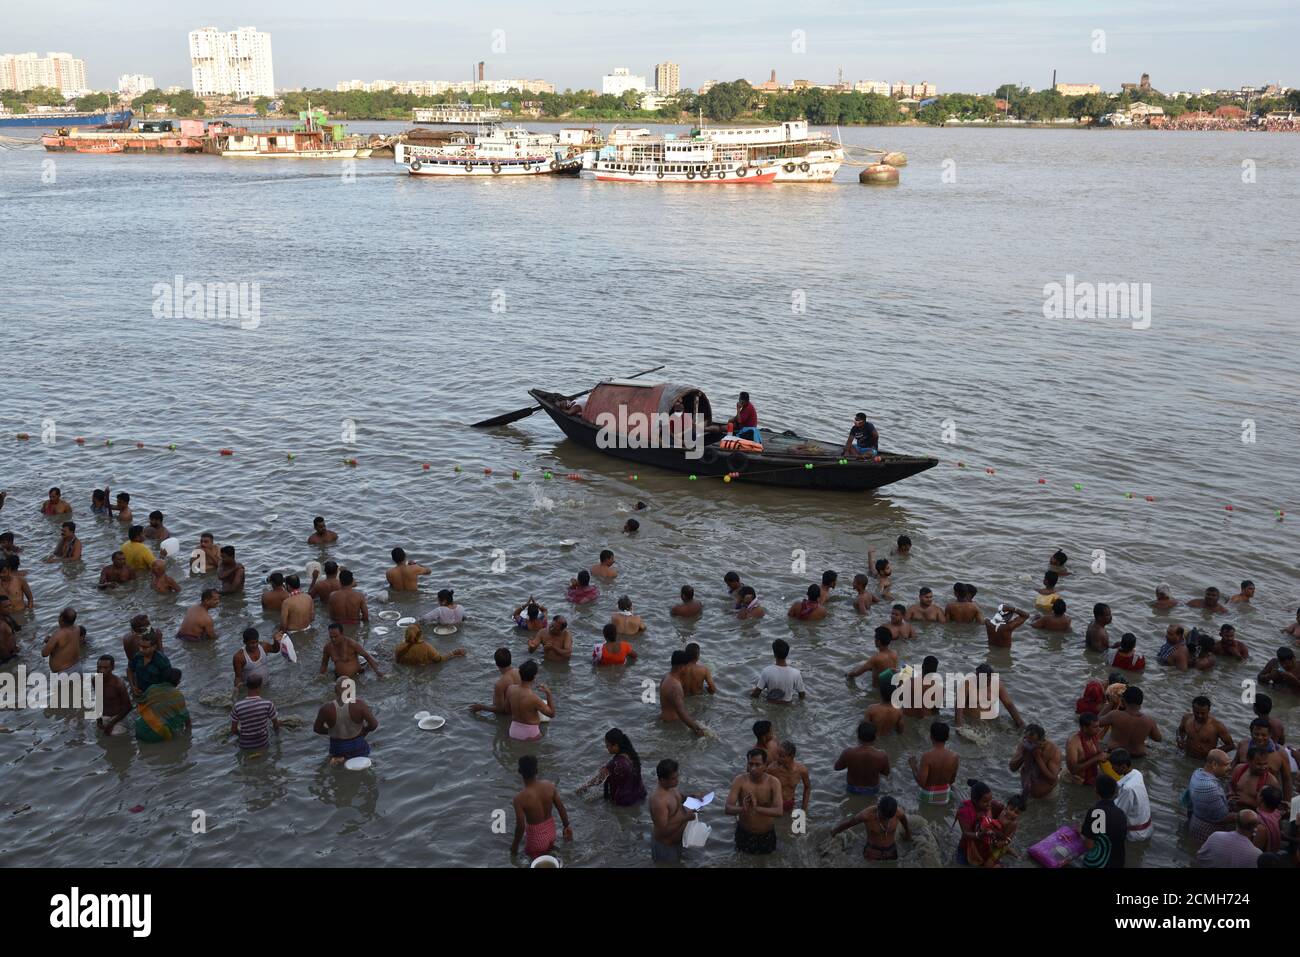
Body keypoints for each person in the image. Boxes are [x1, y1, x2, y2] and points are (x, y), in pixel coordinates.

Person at [510, 755, 572, 858]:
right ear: (537, 770)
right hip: (552, 833)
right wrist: (566, 826)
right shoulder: (549, 786)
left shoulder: (519, 799)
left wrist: (515, 845)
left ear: (520, 771)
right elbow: (561, 808)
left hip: (536, 840)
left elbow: (521, 826)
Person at [725, 748, 782, 855]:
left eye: (757, 765)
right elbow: (728, 808)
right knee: (741, 861)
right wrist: (743, 808)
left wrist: (756, 808)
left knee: (765, 862)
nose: (753, 768)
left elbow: (779, 811)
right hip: (744, 832)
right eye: (750, 764)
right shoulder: (739, 780)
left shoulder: (773, 783)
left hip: (766, 834)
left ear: (765, 765)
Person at [314, 677, 379, 766]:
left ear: (335, 690)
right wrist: (364, 731)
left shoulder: (326, 708)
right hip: (358, 746)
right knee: (366, 757)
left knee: (336, 763)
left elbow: (317, 729)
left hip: (337, 747)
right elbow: (374, 724)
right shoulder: (359, 704)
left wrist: (332, 731)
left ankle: (339, 759)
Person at [576, 728, 647, 806]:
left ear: (616, 745)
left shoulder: (615, 763)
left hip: (624, 801)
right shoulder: (632, 755)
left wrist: (584, 787)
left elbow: (599, 779)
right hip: (640, 795)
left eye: (608, 745)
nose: (606, 748)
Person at [832, 795, 911, 860]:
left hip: (891, 850)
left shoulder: (898, 812)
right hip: (872, 851)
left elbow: (904, 821)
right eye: (884, 817)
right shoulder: (866, 815)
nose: (886, 820)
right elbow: (849, 824)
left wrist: (907, 833)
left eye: (889, 818)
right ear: (878, 808)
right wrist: (835, 832)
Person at [1233, 718, 1293, 802]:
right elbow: (1233, 766)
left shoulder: (1280, 754)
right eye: (1256, 734)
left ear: (1270, 734)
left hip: (1266, 801)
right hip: (1241, 795)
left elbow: (1287, 780)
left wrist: (1287, 803)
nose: (1260, 738)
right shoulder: (1243, 745)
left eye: (1264, 735)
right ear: (1251, 733)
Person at [649, 759, 696, 864]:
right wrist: (686, 818)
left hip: (677, 842)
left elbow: (681, 798)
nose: (677, 780)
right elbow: (663, 831)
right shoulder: (658, 800)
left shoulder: (671, 787)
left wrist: (694, 798)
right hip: (666, 847)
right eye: (673, 778)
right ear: (662, 780)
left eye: (677, 776)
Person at [1187, 749, 1236, 847]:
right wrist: (1241, 816)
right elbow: (1222, 817)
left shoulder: (1197, 773)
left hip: (1195, 822)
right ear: (1214, 764)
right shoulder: (1210, 787)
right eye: (1226, 765)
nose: (1230, 768)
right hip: (1206, 832)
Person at [1098, 685, 1162, 757]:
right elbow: (1158, 739)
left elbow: (1097, 722)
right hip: (1138, 756)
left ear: (1123, 701)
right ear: (1140, 702)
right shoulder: (1149, 721)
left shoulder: (1115, 715)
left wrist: (1110, 704)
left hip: (1115, 755)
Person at [1079, 775, 1128, 868]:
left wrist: (1080, 833)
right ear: (1115, 793)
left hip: (1100, 864)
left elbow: (1090, 845)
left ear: (1096, 791)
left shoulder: (1096, 812)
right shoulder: (1121, 813)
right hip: (1119, 862)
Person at [955, 779, 1005, 866]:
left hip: (985, 848)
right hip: (967, 849)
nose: (989, 804)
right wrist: (981, 834)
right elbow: (966, 833)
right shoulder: (964, 811)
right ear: (974, 800)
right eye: (985, 802)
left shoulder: (993, 806)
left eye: (990, 800)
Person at [910, 721, 959, 806]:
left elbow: (921, 783)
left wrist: (913, 767)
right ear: (947, 737)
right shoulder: (954, 756)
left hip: (928, 795)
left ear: (931, 736)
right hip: (945, 795)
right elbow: (952, 780)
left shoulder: (927, 756)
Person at [134, 668, 190, 742]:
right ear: (178, 681)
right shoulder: (178, 695)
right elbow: (185, 717)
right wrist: (189, 736)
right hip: (158, 734)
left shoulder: (152, 688)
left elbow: (140, 702)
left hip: (139, 730)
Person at [835, 721, 890, 795]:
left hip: (852, 788)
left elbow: (837, 768)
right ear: (875, 737)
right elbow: (886, 773)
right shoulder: (882, 755)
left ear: (858, 736)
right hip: (873, 789)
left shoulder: (848, 752)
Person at [1110, 749, 1153, 842]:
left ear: (1123, 767)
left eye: (1114, 767)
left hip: (1135, 835)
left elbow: (1118, 814)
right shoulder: (1137, 774)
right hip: (1147, 827)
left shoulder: (1127, 789)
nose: (1112, 769)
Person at [231, 672, 281, 751]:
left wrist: (241, 735)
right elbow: (276, 725)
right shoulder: (268, 704)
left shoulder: (237, 706)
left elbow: (233, 730)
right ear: (260, 687)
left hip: (244, 746)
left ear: (247, 686)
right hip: (263, 744)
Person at [505, 659, 553, 741]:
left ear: (520, 674)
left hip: (513, 731)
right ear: (534, 677)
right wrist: (548, 693)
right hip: (530, 734)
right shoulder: (534, 698)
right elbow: (551, 714)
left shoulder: (510, 689)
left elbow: (507, 709)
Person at [1011, 724, 1063, 800]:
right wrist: (1022, 756)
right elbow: (1012, 768)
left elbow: (1052, 779)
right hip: (1027, 790)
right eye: (1028, 742)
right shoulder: (1024, 745)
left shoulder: (1053, 750)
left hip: (1048, 796)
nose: (1029, 746)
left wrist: (1038, 758)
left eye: (1033, 743)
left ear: (1041, 742)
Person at [660, 650, 706, 735]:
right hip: (673, 726)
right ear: (682, 667)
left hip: (666, 721)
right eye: (688, 666)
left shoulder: (666, 677)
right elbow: (681, 712)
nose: (689, 669)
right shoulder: (675, 686)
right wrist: (697, 729)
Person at [1196, 811, 1262, 867]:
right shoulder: (1256, 854)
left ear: (1236, 822)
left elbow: (1200, 857)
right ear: (1255, 828)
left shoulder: (1215, 836)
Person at [320, 622, 384, 679]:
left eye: (336, 636)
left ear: (342, 634)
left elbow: (367, 656)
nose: (333, 639)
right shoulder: (328, 647)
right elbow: (324, 664)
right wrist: (321, 676)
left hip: (356, 675)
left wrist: (377, 672)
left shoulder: (352, 644)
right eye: (331, 637)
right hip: (339, 677)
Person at [469, 648, 520, 716]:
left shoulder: (500, 684)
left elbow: (501, 710)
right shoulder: (520, 672)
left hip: (508, 716)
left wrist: (482, 707)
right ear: (510, 659)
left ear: (496, 663)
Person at [753, 638, 805, 704]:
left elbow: (756, 693)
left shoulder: (766, 671)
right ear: (787, 654)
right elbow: (802, 695)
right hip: (787, 705)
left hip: (770, 705)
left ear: (774, 654)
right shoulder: (796, 673)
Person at [1066, 713, 1110, 786]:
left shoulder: (1093, 736)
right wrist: (1096, 758)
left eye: (1098, 726)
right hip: (1079, 782)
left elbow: (1098, 753)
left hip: (1093, 777)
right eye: (1095, 727)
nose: (1098, 729)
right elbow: (1073, 770)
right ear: (1084, 728)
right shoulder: (1073, 743)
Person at [395, 622, 466, 665]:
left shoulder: (399, 647)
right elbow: (439, 660)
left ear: (406, 634)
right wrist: (453, 653)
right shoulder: (426, 647)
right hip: (425, 671)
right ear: (420, 634)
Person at [128, 629, 173, 698]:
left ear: (154, 647)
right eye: (140, 646)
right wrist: (133, 687)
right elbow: (129, 670)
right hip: (140, 693)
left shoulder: (162, 661)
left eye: (145, 648)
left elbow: (168, 683)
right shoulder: (138, 656)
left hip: (156, 696)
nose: (141, 649)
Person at [95, 656, 132, 736]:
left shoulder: (118, 684)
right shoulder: (95, 680)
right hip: (104, 716)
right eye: (99, 667)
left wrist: (111, 724)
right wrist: (98, 719)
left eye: (105, 668)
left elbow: (128, 707)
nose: (101, 671)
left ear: (112, 668)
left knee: (113, 736)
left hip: (118, 718)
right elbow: (98, 700)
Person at [771, 741, 811, 815]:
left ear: (791, 756)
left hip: (789, 803)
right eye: (778, 754)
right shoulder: (772, 769)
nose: (777, 758)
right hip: (774, 805)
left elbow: (807, 787)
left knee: (787, 824)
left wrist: (804, 809)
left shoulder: (802, 770)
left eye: (781, 756)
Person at [41, 607, 83, 673]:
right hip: (77, 667)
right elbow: (66, 646)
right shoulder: (77, 629)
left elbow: (44, 653)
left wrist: (48, 642)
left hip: (64, 673)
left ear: (61, 619)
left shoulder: (58, 634)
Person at [1254, 787, 1284, 852]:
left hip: (1265, 857)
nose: (1256, 793)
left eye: (1259, 792)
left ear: (1261, 799)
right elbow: (1281, 831)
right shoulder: (1277, 813)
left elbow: (1256, 850)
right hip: (1276, 851)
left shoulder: (1259, 822)